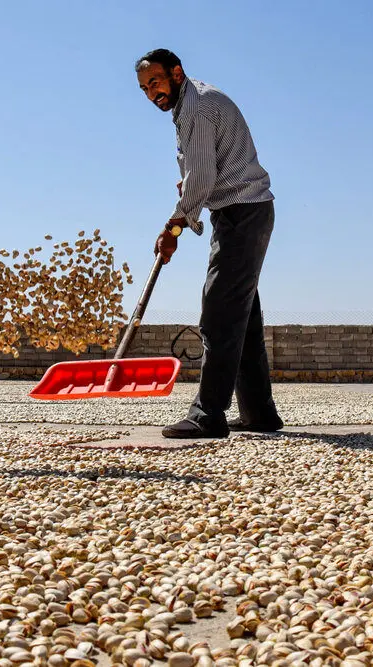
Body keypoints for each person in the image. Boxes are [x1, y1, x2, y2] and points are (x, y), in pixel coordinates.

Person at [135, 48, 284, 439]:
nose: (152, 93)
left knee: (219, 313)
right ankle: (259, 413)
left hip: (242, 213)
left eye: (155, 82)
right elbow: (201, 173)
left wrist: (174, 226)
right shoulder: (191, 105)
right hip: (239, 212)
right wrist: (188, 192)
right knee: (242, 319)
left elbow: (201, 176)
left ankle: (208, 414)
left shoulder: (197, 108)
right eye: (145, 88)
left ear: (176, 73)